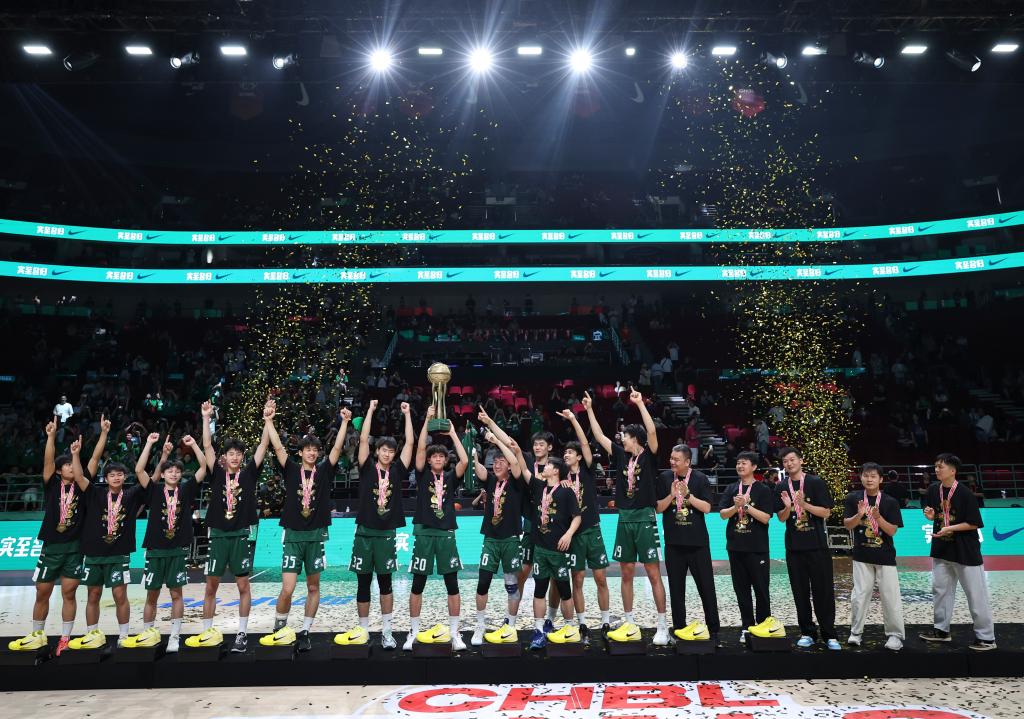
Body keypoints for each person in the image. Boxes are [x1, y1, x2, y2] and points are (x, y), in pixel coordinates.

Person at [8, 414, 110, 655]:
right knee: (42, 592)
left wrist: (104, 433)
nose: (71, 467)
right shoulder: (51, 484)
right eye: (66, 465)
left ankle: (65, 638)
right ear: (59, 470)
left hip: (74, 548)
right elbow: (47, 461)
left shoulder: (83, 485)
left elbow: (94, 458)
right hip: (51, 547)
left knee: (69, 593)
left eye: (72, 465)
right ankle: (37, 635)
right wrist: (51, 436)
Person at [584, 389, 670, 645]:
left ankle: (662, 626)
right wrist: (589, 409)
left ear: (636, 439)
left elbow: (652, 431)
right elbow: (599, 436)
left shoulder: (649, 455)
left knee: (653, 573)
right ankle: (630, 622)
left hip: (645, 518)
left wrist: (640, 403)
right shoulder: (621, 455)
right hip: (624, 519)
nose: (622, 439)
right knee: (626, 573)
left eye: (626, 437)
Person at [260, 406, 350, 651]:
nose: (311, 452)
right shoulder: (291, 469)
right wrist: (269, 421)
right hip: (292, 535)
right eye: (307, 449)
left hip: (316, 535)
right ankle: (279, 628)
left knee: (313, 587)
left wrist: (344, 423)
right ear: (300, 453)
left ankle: (306, 631)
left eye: (314, 450)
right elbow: (278, 448)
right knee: (287, 588)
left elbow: (337, 449)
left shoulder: (324, 471)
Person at [186, 400, 271, 652]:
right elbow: (207, 446)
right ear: (224, 457)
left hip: (240, 536)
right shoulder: (216, 473)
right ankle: (207, 632)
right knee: (210, 586)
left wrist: (267, 420)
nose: (234, 457)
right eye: (230, 454)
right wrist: (206, 418)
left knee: (243, 586)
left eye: (238, 454)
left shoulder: (248, 474)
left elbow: (263, 446)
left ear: (242, 457)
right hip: (219, 536)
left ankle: (242, 634)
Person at [334, 399, 414, 650]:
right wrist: (369, 410)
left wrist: (407, 415)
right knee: (363, 583)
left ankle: (387, 632)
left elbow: (410, 443)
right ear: (377, 451)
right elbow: (363, 438)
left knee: (386, 584)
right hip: (364, 533)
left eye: (391, 451)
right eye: (384, 450)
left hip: (387, 534)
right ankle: (364, 630)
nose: (387, 454)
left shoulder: (397, 471)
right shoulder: (367, 468)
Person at [122, 432, 207, 653]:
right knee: (152, 595)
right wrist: (149, 443)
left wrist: (194, 445)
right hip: (155, 551)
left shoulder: (186, 489)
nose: (174, 473)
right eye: (170, 470)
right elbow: (139, 470)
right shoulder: (154, 490)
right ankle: (148, 633)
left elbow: (204, 467)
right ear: (163, 473)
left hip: (177, 551)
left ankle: (174, 637)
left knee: (177, 594)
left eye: (177, 471)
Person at [66, 442, 147, 650]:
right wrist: (75, 455)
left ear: (125, 477)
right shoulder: (95, 493)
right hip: (94, 554)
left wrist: (155, 450)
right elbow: (79, 477)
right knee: (93, 595)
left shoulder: (131, 494)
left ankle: (123, 635)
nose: (116, 477)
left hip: (119, 554)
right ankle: (92, 634)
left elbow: (150, 479)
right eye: (112, 475)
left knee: (120, 596)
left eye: (120, 474)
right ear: (106, 478)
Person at [403, 406, 470, 651]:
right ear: (430, 460)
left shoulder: (451, 477)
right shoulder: (422, 475)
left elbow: (465, 460)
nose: (438, 459)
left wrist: (452, 433)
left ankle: (455, 633)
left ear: (445, 460)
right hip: (423, 532)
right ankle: (413, 632)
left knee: (452, 584)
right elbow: (420, 448)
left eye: (442, 456)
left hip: (445, 533)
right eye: (435, 456)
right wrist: (427, 419)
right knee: (417, 584)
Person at [478, 409, 553, 626]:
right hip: (530, 523)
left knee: (555, 578)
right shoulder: (526, 461)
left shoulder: (556, 466)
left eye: (541, 444)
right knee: (521, 574)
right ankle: (511, 618)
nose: (537, 447)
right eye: (535, 444)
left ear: (549, 447)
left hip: (553, 524)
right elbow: (509, 443)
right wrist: (490, 423)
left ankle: (550, 619)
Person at [919, 453, 996, 650]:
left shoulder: (965, 493)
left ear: (953, 471)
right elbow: (935, 514)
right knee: (940, 591)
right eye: (936, 466)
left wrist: (950, 528)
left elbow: (974, 523)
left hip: (965, 551)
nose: (936, 469)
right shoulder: (933, 489)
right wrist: (930, 516)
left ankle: (986, 638)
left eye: (941, 467)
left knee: (975, 594)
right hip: (942, 548)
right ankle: (941, 631)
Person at [554, 408, 611, 644]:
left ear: (578, 456)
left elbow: (586, 444)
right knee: (576, 580)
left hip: (592, 529)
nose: (566, 455)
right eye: (565, 452)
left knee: (600, 578)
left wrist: (573, 419)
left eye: (570, 452)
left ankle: (606, 622)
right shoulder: (561, 477)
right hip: (573, 535)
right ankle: (582, 624)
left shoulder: (587, 469)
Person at [776, 447, 839, 650]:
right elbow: (781, 518)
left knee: (823, 591)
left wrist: (804, 504)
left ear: (801, 460)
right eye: (785, 461)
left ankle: (829, 634)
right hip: (794, 548)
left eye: (792, 459)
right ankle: (807, 632)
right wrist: (788, 507)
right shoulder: (781, 486)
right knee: (800, 592)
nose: (789, 463)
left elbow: (826, 512)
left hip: (817, 546)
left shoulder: (815, 482)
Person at [656, 445, 720, 643]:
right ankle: (679, 629)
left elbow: (707, 508)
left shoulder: (700, 479)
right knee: (676, 590)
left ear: (687, 462)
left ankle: (714, 631)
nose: (672, 462)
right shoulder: (665, 478)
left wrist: (688, 496)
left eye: (676, 459)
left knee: (707, 588)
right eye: (671, 458)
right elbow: (658, 508)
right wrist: (672, 495)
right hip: (674, 544)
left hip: (698, 544)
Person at [469, 429, 527, 646]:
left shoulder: (517, 482)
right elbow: (480, 472)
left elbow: (516, 462)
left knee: (511, 585)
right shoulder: (491, 481)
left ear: (509, 466)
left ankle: (510, 626)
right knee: (483, 582)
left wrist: (497, 442)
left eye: (501, 461)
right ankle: (480, 625)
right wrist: (475, 457)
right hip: (491, 540)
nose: (497, 464)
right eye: (495, 461)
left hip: (511, 539)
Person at [718, 451, 782, 642]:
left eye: (744, 463)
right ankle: (747, 626)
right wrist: (735, 507)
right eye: (738, 463)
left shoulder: (763, 490)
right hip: (735, 547)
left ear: (753, 467)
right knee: (741, 590)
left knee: (761, 589)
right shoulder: (731, 488)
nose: (740, 466)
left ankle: (763, 626)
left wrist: (746, 506)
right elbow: (723, 514)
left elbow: (765, 517)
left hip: (757, 548)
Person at [842, 462, 905, 651]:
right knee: (859, 596)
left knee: (890, 597)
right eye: (866, 475)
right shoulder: (853, 498)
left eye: (873, 476)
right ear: (861, 477)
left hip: (885, 556)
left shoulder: (890, 502)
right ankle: (856, 633)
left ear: (881, 479)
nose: (869, 479)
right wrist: (859, 515)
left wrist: (878, 518)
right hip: (861, 555)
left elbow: (892, 531)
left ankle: (895, 635)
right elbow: (848, 525)